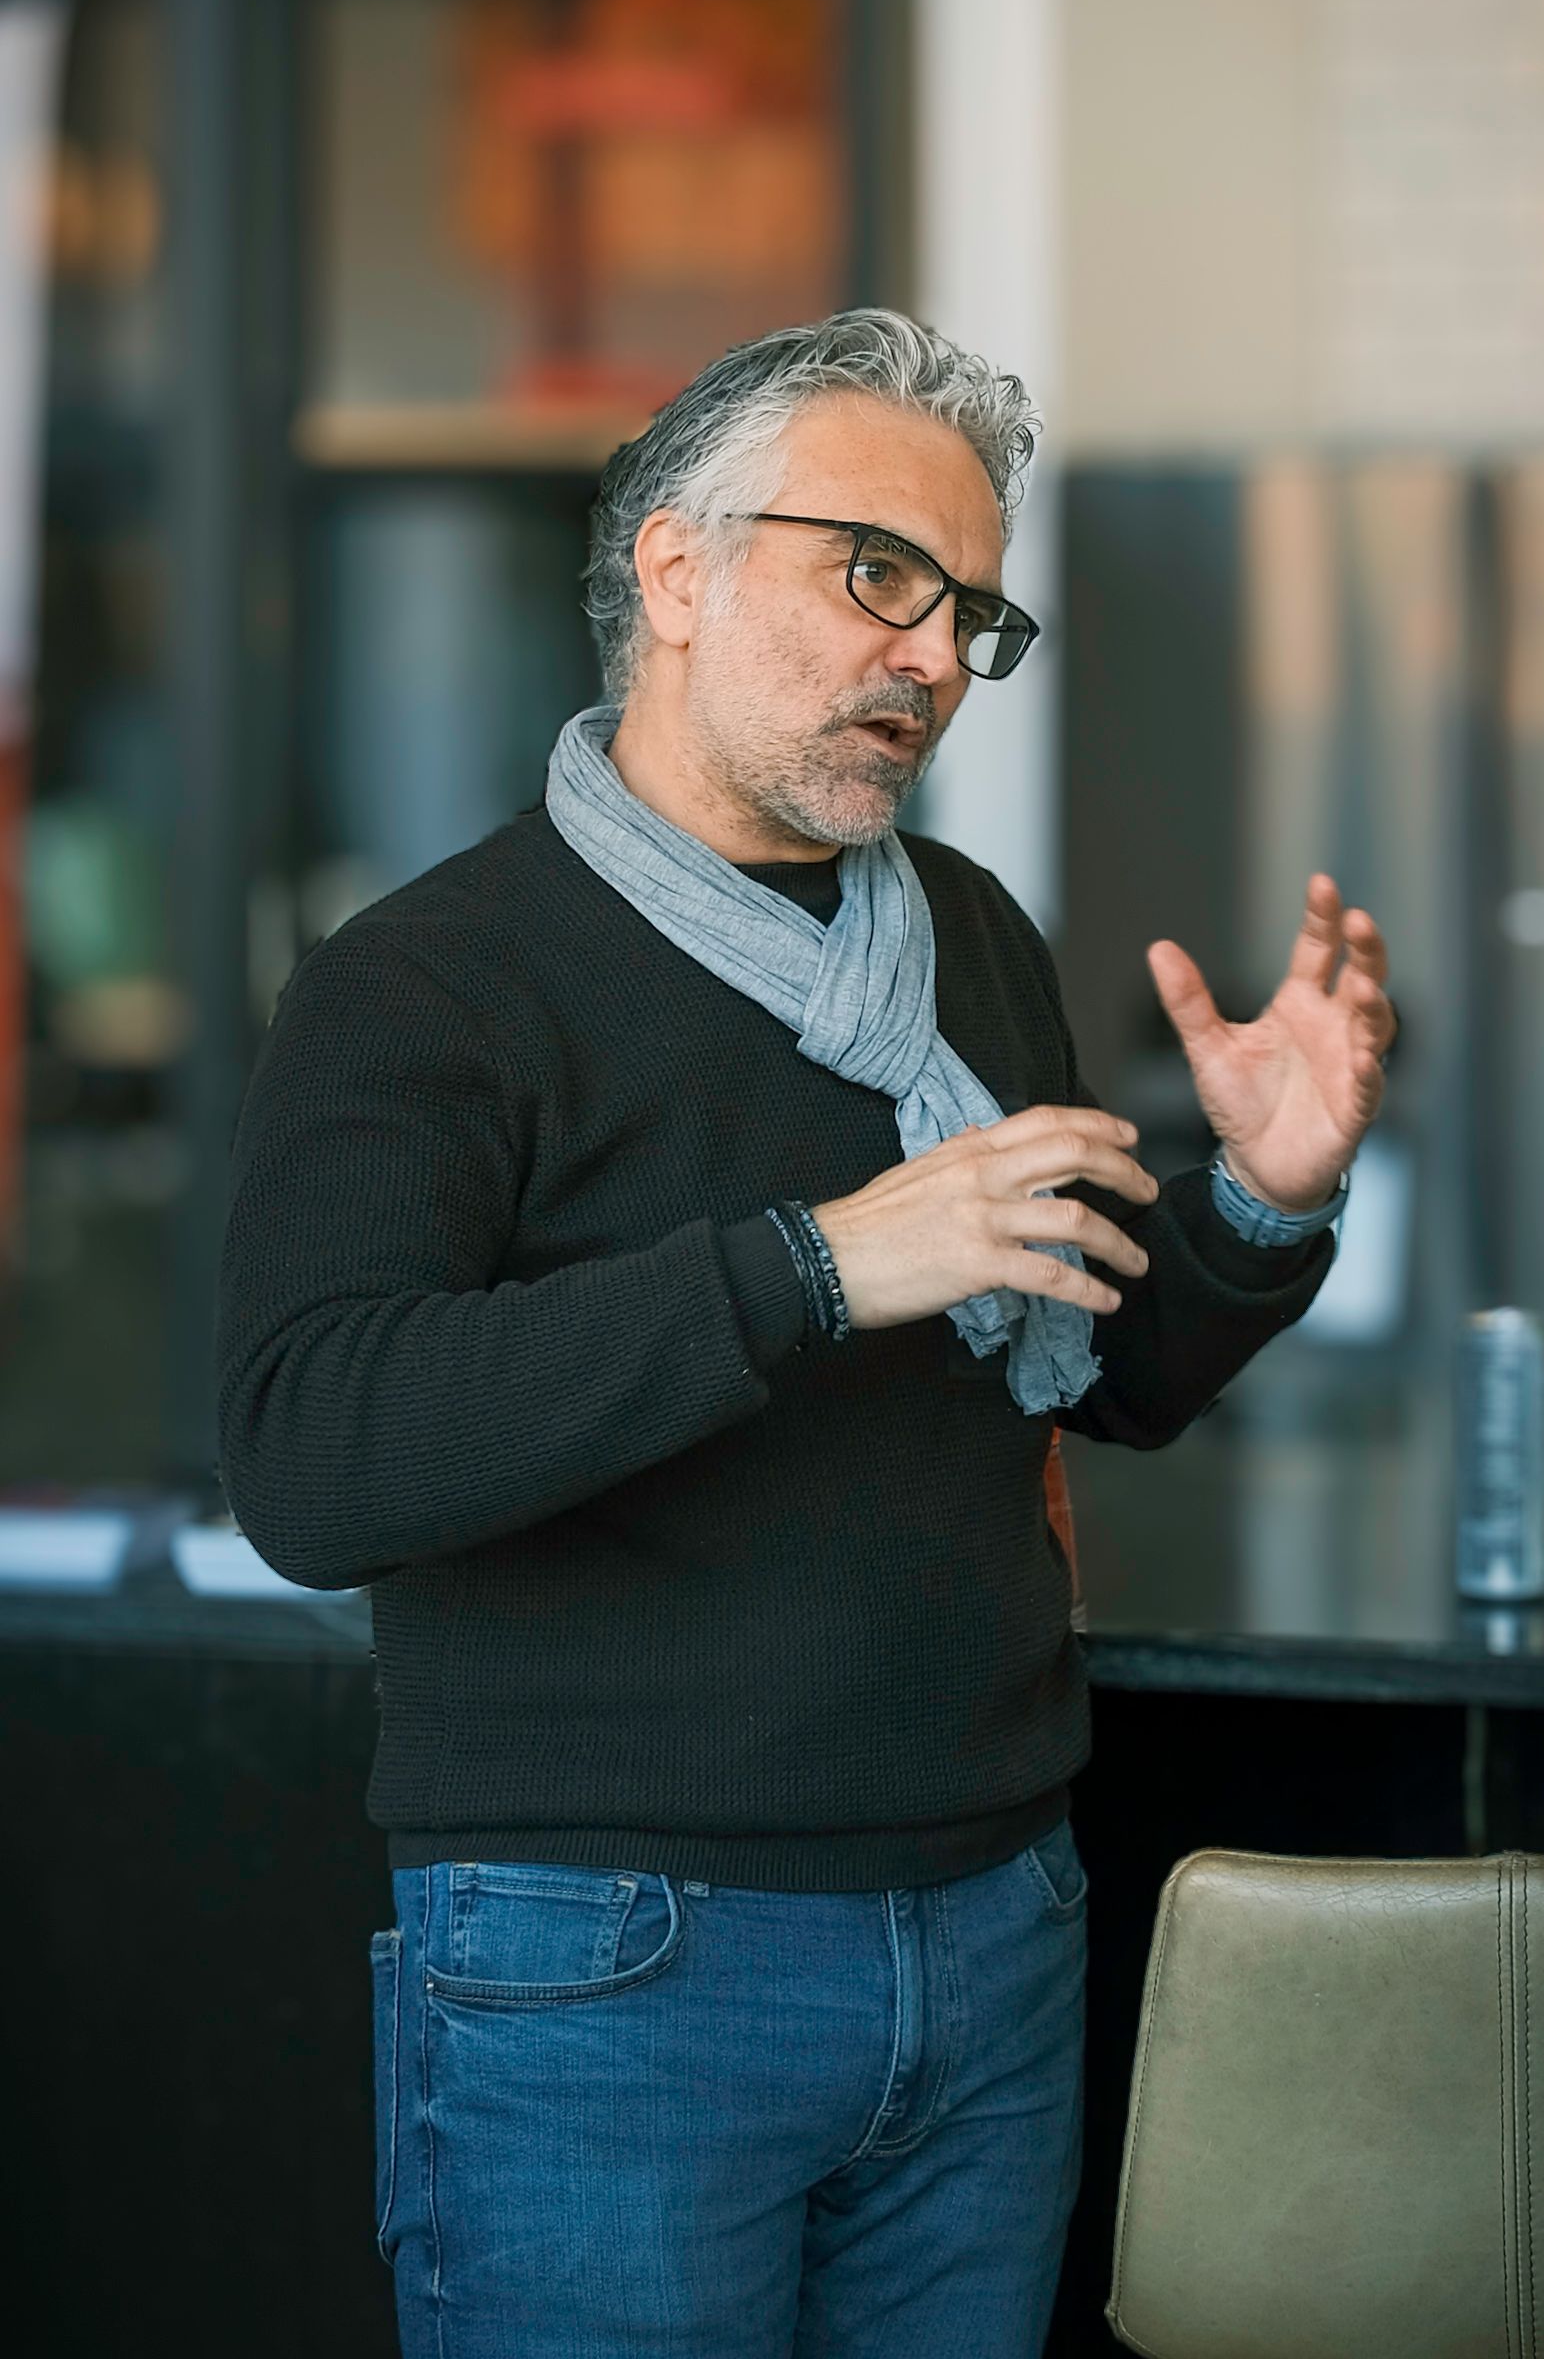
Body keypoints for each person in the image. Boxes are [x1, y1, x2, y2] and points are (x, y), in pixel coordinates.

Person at [215, 309, 1396, 2359]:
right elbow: (317, 1456)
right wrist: (816, 1262)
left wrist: (1257, 1200)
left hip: (994, 1923)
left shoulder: (962, 937)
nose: (931, 654)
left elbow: (1097, 1367)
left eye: (966, 610)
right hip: (610, 1963)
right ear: (674, 569)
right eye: (876, 575)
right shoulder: (428, 982)